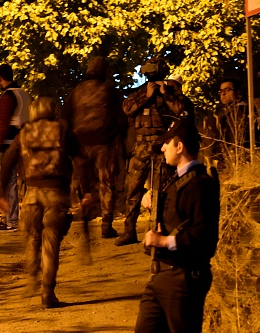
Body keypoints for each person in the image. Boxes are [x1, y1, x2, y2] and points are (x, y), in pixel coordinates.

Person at [135, 119, 220, 333]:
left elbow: (205, 238)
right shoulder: (178, 180)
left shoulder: (201, 184)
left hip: (183, 278)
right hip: (161, 275)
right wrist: (152, 203)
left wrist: (165, 241)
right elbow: (175, 217)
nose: (162, 148)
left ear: (179, 146)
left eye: (167, 143)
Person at [0, 97, 76, 308]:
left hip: (31, 194)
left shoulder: (24, 132)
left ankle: (32, 275)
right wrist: (86, 190)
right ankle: (47, 292)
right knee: (50, 244)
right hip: (56, 194)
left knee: (32, 239)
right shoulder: (63, 130)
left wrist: (0, 191)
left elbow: (7, 162)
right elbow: (81, 159)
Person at [116, 58, 193, 246]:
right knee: (133, 188)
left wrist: (165, 94)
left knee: (163, 189)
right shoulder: (140, 92)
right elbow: (127, 109)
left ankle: (161, 227)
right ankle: (129, 230)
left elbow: (182, 111)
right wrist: (147, 96)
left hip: (163, 145)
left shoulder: (171, 93)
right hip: (141, 146)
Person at [64, 56, 127, 238]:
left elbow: (65, 115)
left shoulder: (76, 91)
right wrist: (120, 139)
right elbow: (121, 118)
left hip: (80, 144)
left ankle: (86, 210)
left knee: (85, 183)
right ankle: (106, 224)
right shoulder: (110, 91)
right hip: (105, 143)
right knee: (107, 183)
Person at [0, 64, 31, 231]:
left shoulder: (8, 96)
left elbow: (3, 124)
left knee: (9, 182)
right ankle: (10, 218)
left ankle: (11, 220)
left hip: (8, 144)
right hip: (24, 141)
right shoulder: (24, 94)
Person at [202, 78, 260, 165]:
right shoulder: (222, 112)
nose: (223, 93)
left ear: (238, 93)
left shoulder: (242, 111)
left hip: (240, 162)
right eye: (221, 91)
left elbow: (238, 140)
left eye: (227, 90)